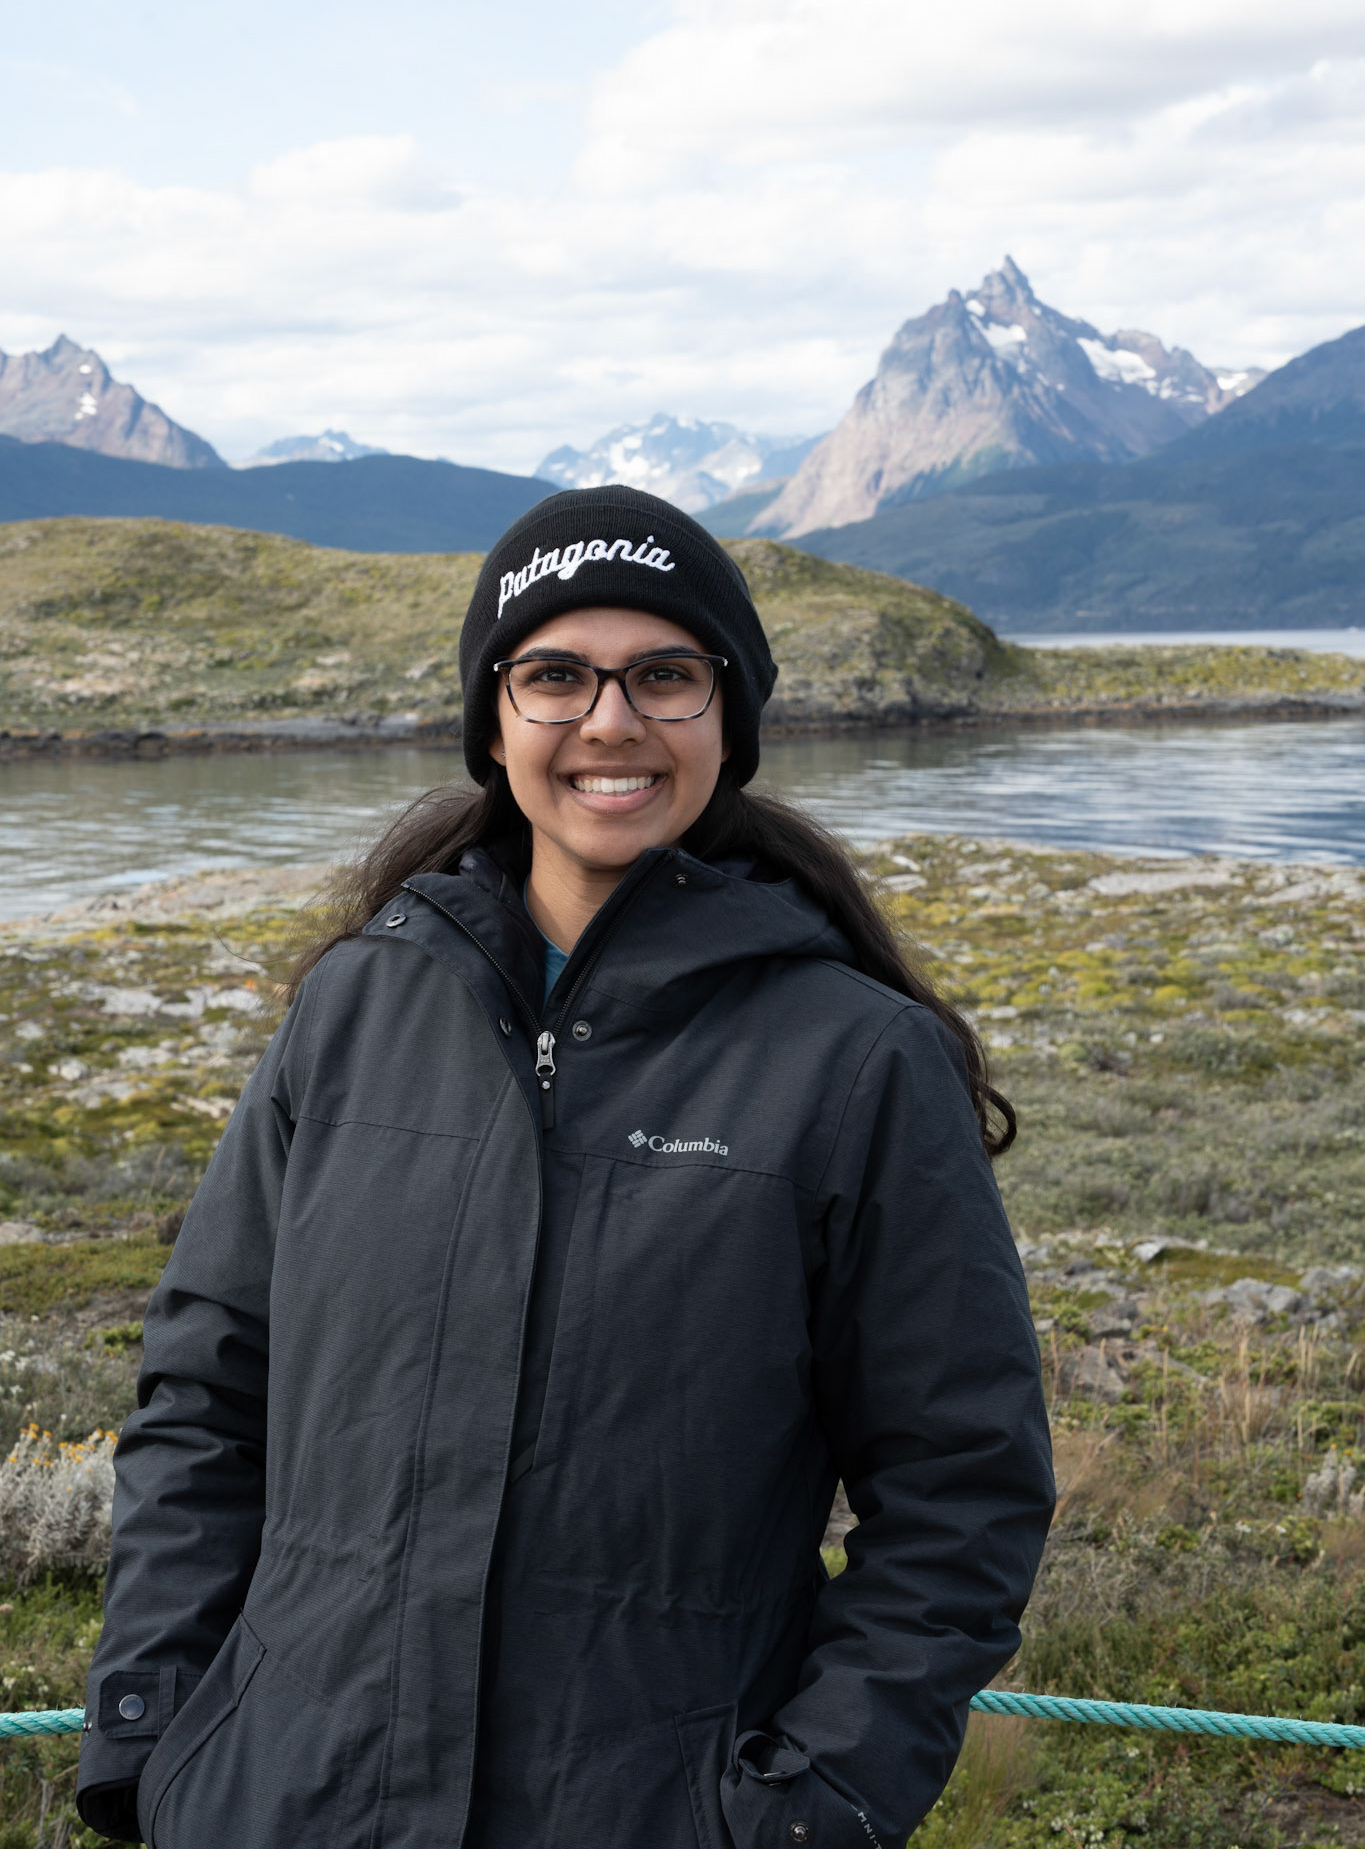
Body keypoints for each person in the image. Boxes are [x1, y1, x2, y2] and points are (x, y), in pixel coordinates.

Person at [77, 484, 1053, 1849]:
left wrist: (804, 1810)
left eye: (664, 675)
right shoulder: (353, 1008)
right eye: (554, 677)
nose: (609, 722)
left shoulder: (856, 1059)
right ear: (493, 721)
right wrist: (154, 1730)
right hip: (281, 1800)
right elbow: (205, 1394)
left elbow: (961, 1485)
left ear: (728, 719)